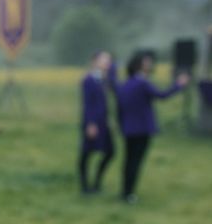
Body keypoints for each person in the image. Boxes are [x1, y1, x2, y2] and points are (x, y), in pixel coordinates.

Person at [116, 51, 189, 203]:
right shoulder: (143, 83)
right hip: (142, 129)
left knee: (128, 161)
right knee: (136, 162)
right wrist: (178, 85)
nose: (150, 65)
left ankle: (125, 191)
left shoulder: (126, 83)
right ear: (140, 65)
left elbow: (120, 108)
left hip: (128, 128)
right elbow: (162, 95)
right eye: (147, 63)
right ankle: (129, 194)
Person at [77, 51, 116, 194]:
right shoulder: (89, 80)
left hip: (103, 122)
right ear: (94, 61)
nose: (107, 62)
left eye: (109, 60)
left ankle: (97, 183)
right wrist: (91, 124)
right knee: (86, 154)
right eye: (104, 59)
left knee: (110, 152)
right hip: (92, 123)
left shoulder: (105, 80)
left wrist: (109, 119)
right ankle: (85, 187)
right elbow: (88, 104)